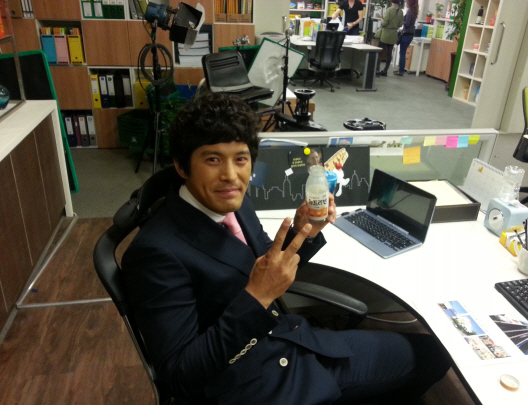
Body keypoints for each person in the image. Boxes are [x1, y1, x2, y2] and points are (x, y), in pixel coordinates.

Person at [122, 92, 450, 405]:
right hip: (248, 383)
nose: (231, 175)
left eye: (241, 159)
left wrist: (303, 231)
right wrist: (257, 297)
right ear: (182, 167)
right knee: (428, 358)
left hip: (288, 340)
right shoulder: (155, 252)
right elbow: (179, 377)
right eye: (212, 159)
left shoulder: (233, 200)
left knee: (432, 353)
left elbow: (264, 262)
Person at [376, 0, 404, 77]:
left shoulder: (389, 10)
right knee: (389, 53)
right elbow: (400, 24)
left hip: (385, 33)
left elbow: (384, 23)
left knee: (379, 52)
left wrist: (382, 20)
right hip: (393, 34)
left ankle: (377, 70)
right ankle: (385, 71)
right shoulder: (401, 11)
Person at [394, 0, 419, 76]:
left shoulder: (409, 11)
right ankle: (400, 69)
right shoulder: (414, 11)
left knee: (402, 53)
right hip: (410, 34)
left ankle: (401, 71)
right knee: (403, 52)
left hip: (406, 34)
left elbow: (407, 24)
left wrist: (401, 20)